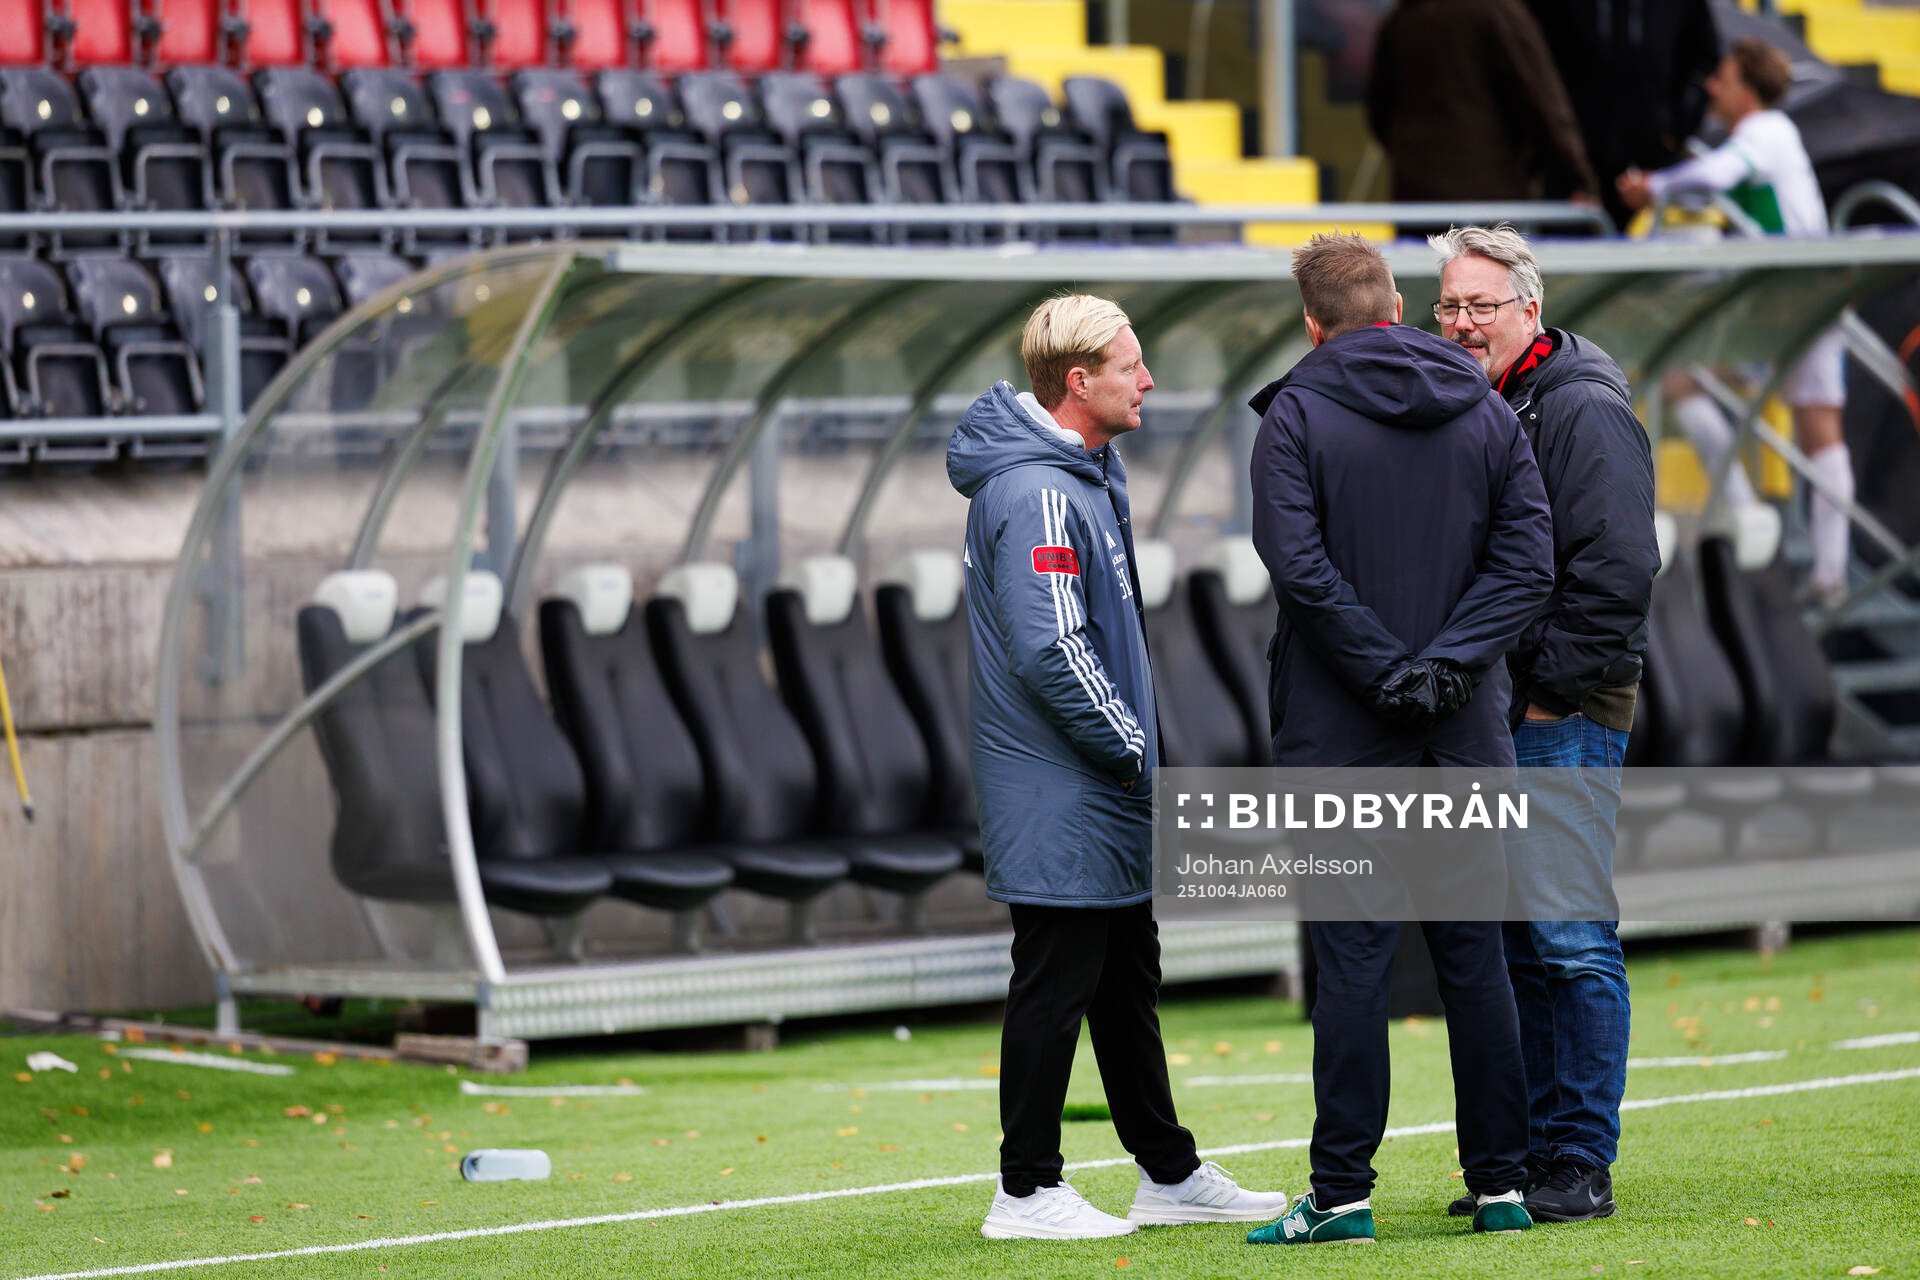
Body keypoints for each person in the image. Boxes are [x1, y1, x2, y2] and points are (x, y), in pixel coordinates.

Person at [948, 295, 1290, 1241]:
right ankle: (1024, 1190)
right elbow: (1051, 646)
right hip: (1065, 790)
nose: (1148, 381)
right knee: (1055, 980)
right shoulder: (1039, 491)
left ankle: (1167, 1172)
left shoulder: (1085, 473)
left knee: (1125, 978)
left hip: (1094, 789)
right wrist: (1136, 748)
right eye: (1132, 366)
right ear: (1078, 382)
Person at [1242, 233, 1555, 1247]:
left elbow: (1297, 564)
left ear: (1311, 321)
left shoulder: (1295, 410)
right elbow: (1528, 561)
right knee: (1477, 960)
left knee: (1353, 965)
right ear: (1396, 307)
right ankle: (1503, 1183)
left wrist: (1387, 669)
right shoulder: (1485, 405)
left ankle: (1340, 1196)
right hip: (1464, 732)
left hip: (1343, 733)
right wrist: (1450, 668)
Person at [1430, 224, 1659, 1222]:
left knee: (1567, 934)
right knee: (1524, 940)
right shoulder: (1483, 398)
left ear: (1531, 306)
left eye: (1481, 304)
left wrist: (1546, 692)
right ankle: (1524, 1153)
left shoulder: (1581, 407)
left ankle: (1578, 1157)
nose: (1463, 321)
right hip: (1501, 708)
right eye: (1448, 305)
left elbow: (1617, 573)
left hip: (1558, 708)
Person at [1617, 36, 1853, 605]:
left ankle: (1804, 554)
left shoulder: (1764, 134)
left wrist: (1653, 186)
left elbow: (1717, 177)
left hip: (1794, 297)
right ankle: (1806, 554)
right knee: (1803, 422)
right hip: (1797, 294)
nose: (1711, 87)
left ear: (1746, 88)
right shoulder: (1770, 136)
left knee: (1692, 381)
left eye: (1721, 77)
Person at [1366, 0, 1598, 206]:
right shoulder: (1496, 9)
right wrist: (1580, 180)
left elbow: (1379, 108)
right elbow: (1544, 100)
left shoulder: (1405, 16)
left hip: (1415, 196)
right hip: (1489, 195)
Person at [1528, 0, 1720, 231]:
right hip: (1572, 162)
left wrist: (1676, 130)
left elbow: (1704, 61)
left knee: (1649, 259)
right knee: (1570, 254)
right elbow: (1534, 57)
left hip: (1651, 163)